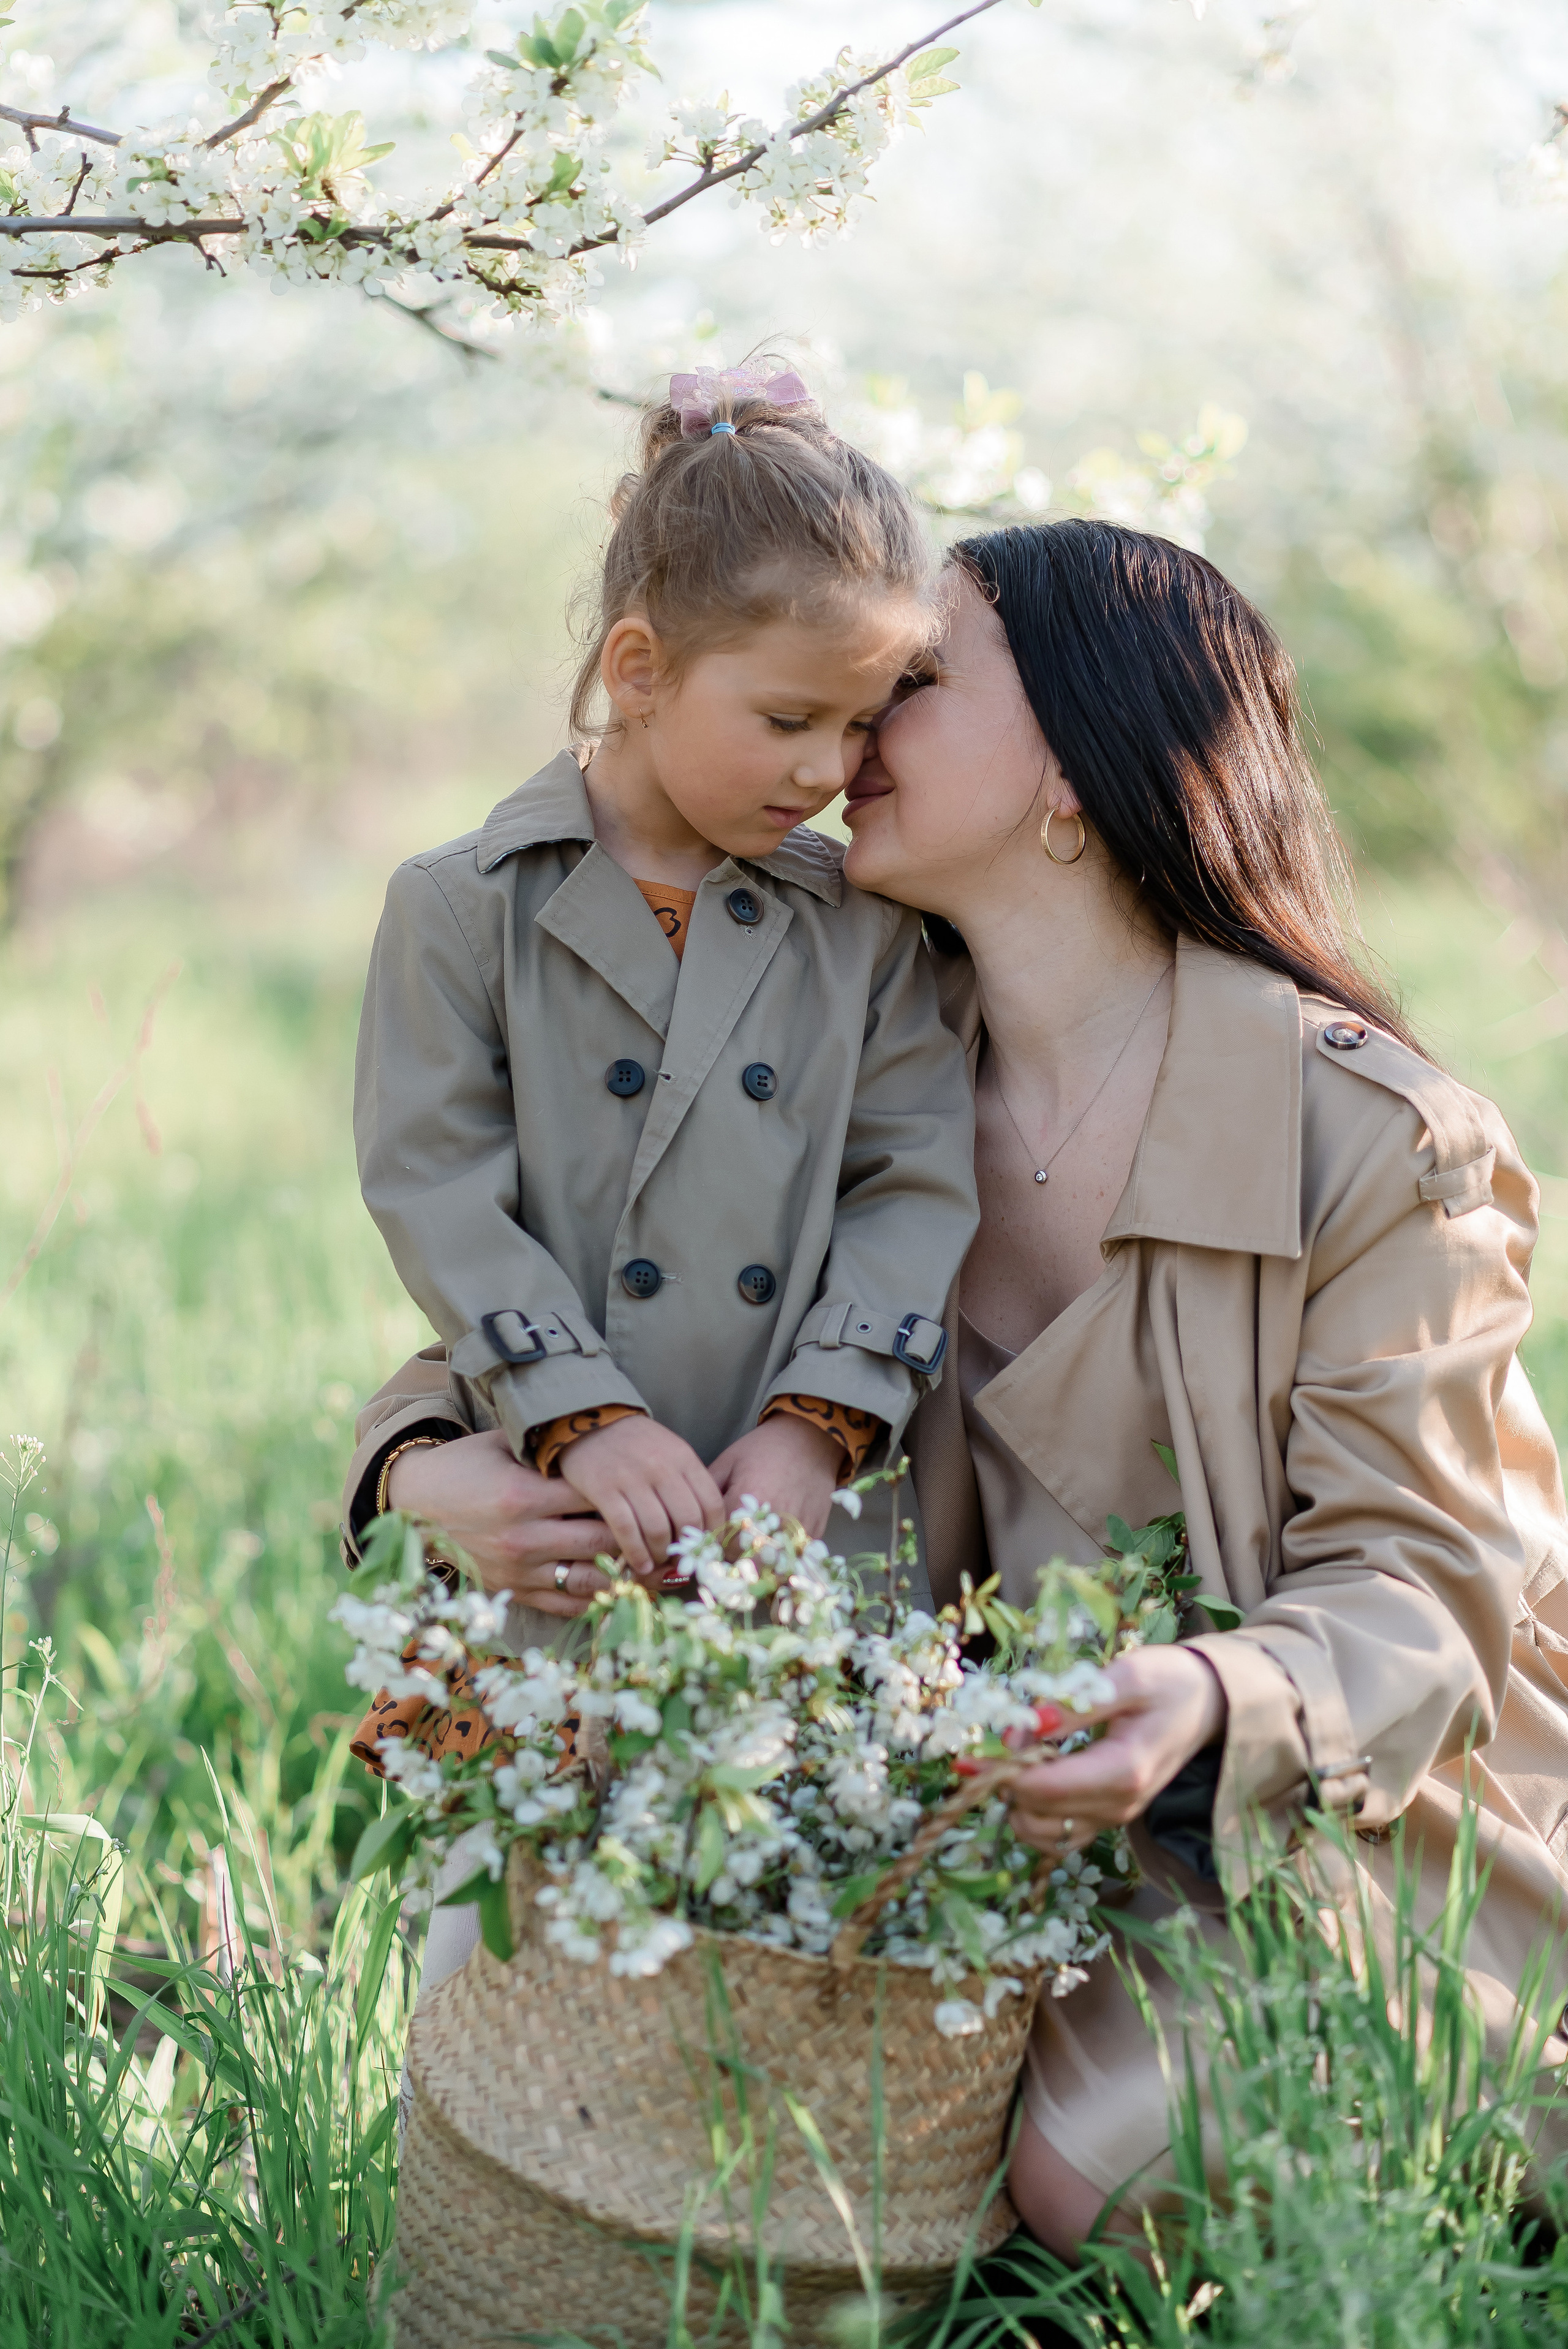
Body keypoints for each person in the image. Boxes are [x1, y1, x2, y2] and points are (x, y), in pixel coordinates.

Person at [841, 517, 1568, 2251]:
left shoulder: (1377, 1140)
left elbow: (1424, 1597)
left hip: (1367, 1802)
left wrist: (1208, 1697)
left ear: (1074, 771)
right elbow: (583, 1277)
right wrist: (423, 1455)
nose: (858, 709)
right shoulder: (853, 1085)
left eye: (920, 675)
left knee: (1095, 2161)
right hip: (999, 1823)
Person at [345, 360, 979, 1789]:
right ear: (638, 672)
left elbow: (913, 1183)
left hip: (797, 1516)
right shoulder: (462, 907)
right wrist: (581, 1415)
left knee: (796, 1874)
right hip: (558, 1505)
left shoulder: (863, 925)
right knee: (531, 1887)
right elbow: (436, 1192)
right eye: (788, 719)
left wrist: (814, 1430)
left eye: (860, 724)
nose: (828, 770)